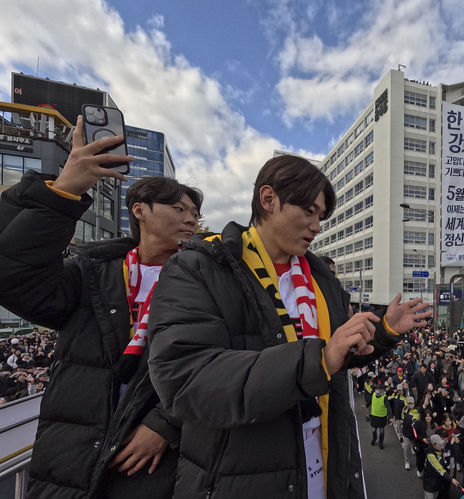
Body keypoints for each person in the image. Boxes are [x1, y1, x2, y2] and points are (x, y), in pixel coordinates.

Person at [147, 155, 430, 499]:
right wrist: (317, 361)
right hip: (241, 475)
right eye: (309, 211)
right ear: (268, 200)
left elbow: (338, 359)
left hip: (324, 458)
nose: (317, 226)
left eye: (321, 216)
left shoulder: (322, 279)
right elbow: (184, 379)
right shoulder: (202, 267)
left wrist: (383, 330)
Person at [0, 117, 202, 498]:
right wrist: (63, 193)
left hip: (159, 464)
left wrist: (166, 424)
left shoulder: (203, 279)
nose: (190, 217)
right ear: (139, 210)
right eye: (178, 208)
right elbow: (15, 280)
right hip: (71, 464)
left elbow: (214, 361)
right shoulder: (90, 272)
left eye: (194, 212)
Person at [423, 434, 461, 499]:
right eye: (440, 445)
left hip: (437, 481)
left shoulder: (440, 450)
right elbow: (440, 469)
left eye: (441, 444)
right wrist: (451, 479)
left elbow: (447, 456)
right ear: (434, 445)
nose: (442, 446)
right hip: (430, 484)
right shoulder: (430, 456)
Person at [369, 384, 393, 449]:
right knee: (374, 430)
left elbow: (388, 407)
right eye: (376, 389)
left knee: (382, 430)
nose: (377, 390)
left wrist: (390, 417)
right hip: (374, 416)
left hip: (382, 417)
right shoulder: (373, 394)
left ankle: (380, 442)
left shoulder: (384, 397)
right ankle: (374, 438)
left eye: (378, 389)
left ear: (381, 390)